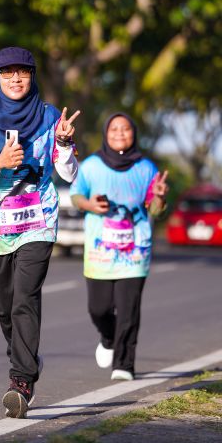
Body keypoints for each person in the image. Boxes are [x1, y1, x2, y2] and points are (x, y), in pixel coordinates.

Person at [0, 46, 80, 418]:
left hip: (38, 220)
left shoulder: (50, 117)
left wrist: (65, 145)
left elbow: (69, 174)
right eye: (7, 72)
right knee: (6, 308)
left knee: (26, 297)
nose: (15, 78)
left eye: (22, 72)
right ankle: (26, 358)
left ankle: (21, 382)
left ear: (32, 76)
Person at [70, 113, 168, 381]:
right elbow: (76, 195)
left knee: (128, 311)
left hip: (135, 251)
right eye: (114, 129)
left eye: (125, 129)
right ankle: (108, 338)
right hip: (99, 251)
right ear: (106, 133)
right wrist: (90, 205)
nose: (120, 133)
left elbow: (155, 211)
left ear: (134, 133)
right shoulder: (91, 165)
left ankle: (124, 364)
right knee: (98, 309)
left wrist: (159, 197)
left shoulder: (146, 168)